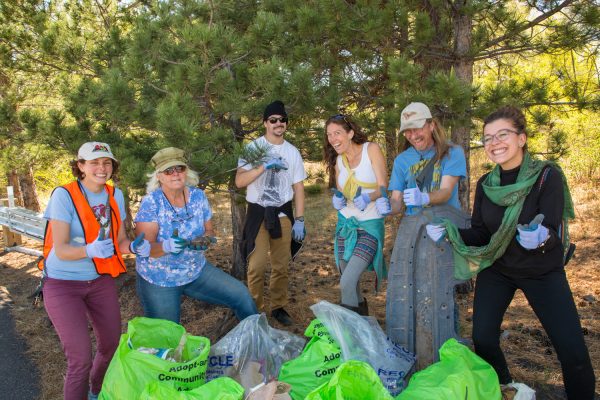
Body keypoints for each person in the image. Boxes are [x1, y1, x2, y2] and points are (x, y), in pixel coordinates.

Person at [425, 106, 595, 399]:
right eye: (487, 138)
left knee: (572, 351)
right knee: (483, 337)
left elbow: (553, 230)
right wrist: (451, 233)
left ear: (522, 138)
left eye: (502, 134)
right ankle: (507, 389)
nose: (494, 143)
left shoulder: (545, 176)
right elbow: (480, 233)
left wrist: (540, 238)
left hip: (542, 271)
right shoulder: (486, 184)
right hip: (499, 267)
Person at [39, 142, 151, 400]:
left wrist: (134, 247)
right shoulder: (63, 195)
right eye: (94, 163)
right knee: (80, 359)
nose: (102, 168)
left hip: (99, 280)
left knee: (111, 344)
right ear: (80, 166)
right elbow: (62, 249)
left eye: (107, 162)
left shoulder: (115, 196)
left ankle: (96, 390)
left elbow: (120, 241)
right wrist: (89, 250)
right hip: (62, 283)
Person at [135, 147, 258, 324]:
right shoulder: (151, 203)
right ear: (159, 176)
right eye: (168, 171)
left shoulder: (198, 197)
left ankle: (259, 343)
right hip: (160, 279)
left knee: (242, 295)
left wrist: (205, 240)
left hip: (196, 271)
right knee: (167, 336)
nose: (175, 174)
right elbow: (145, 250)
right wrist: (166, 246)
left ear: (187, 171)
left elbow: (209, 230)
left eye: (180, 168)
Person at [235, 100, 306, 326]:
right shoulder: (253, 149)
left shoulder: (292, 152)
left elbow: (298, 187)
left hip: (283, 214)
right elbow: (239, 181)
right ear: (265, 123)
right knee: (255, 267)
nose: (279, 123)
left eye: (282, 120)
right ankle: (255, 311)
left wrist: (300, 219)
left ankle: (278, 306)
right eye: (273, 120)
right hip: (257, 213)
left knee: (281, 265)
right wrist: (263, 167)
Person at [324, 114, 391, 315]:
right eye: (329, 135)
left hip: (369, 225)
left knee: (347, 282)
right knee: (350, 283)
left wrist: (369, 197)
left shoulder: (371, 149)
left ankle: (351, 335)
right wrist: (338, 200)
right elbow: (340, 191)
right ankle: (363, 327)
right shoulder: (338, 160)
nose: (333, 139)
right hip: (346, 224)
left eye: (337, 133)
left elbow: (384, 187)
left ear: (350, 133)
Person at [389, 102, 466, 214]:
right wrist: (388, 207)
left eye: (417, 128)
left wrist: (424, 198)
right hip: (416, 227)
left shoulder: (453, 152)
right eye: (407, 131)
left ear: (431, 125)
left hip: (447, 223)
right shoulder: (401, 160)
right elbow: (396, 200)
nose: (413, 136)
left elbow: (446, 191)